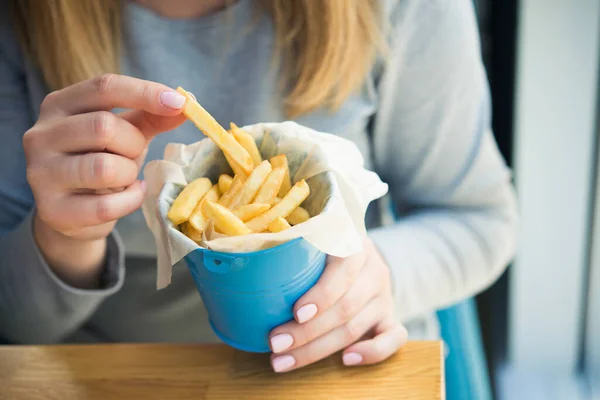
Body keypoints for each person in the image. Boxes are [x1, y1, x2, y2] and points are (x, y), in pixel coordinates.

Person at [0, 0, 517, 373]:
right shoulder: (22, 21)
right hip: (123, 373)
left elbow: (479, 220)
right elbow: (15, 326)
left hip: (341, 360)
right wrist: (65, 238)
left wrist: (379, 274)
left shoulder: (402, 9)